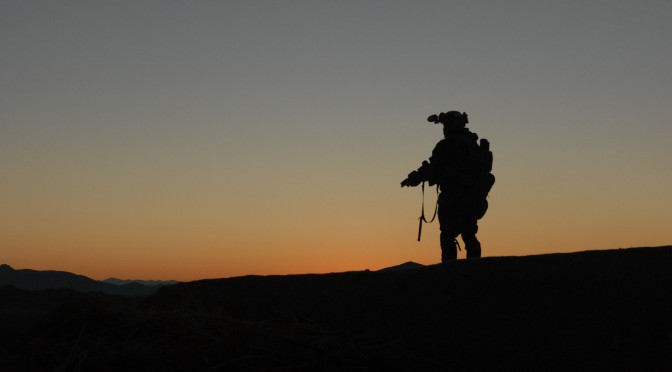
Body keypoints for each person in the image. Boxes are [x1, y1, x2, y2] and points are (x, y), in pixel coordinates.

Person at [401, 111, 494, 262]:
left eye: (446, 126)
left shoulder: (448, 145)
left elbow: (434, 167)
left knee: (448, 235)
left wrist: (415, 178)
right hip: (471, 197)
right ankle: (474, 268)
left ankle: (449, 271)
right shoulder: (472, 145)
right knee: (468, 234)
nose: (444, 129)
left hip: (455, 197)